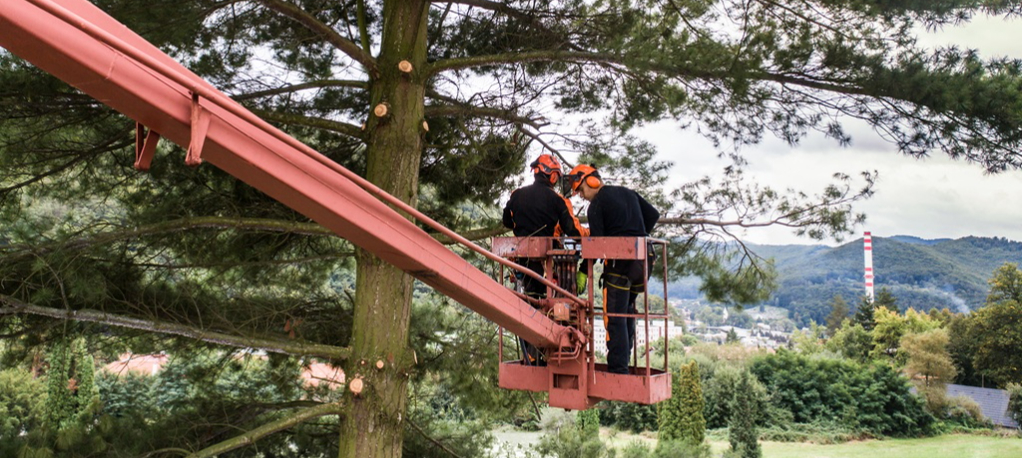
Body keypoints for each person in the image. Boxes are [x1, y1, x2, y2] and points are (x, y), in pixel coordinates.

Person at [566, 164, 660, 374]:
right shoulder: (628, 193)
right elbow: (653, 215)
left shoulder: (597, 205)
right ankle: (623, 363)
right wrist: (636, 234)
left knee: (614, 317)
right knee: (627, 313)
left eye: (580, 190)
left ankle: (618, 369)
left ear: (591, 180)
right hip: (644, 261)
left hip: (620, 266)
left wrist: (583, 270)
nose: (581, 196)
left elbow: (596, 245)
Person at [502, 154, 586, 365]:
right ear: (552, 176)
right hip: (547, 263)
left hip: (521, 259)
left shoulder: (517, 195)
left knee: (529, 302)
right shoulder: (557, 200)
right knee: (552, 304)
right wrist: (591, 234)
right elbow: (572, 230)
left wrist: (522, 228)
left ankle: (531, 353)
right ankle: (545, 348)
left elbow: (506, 220)